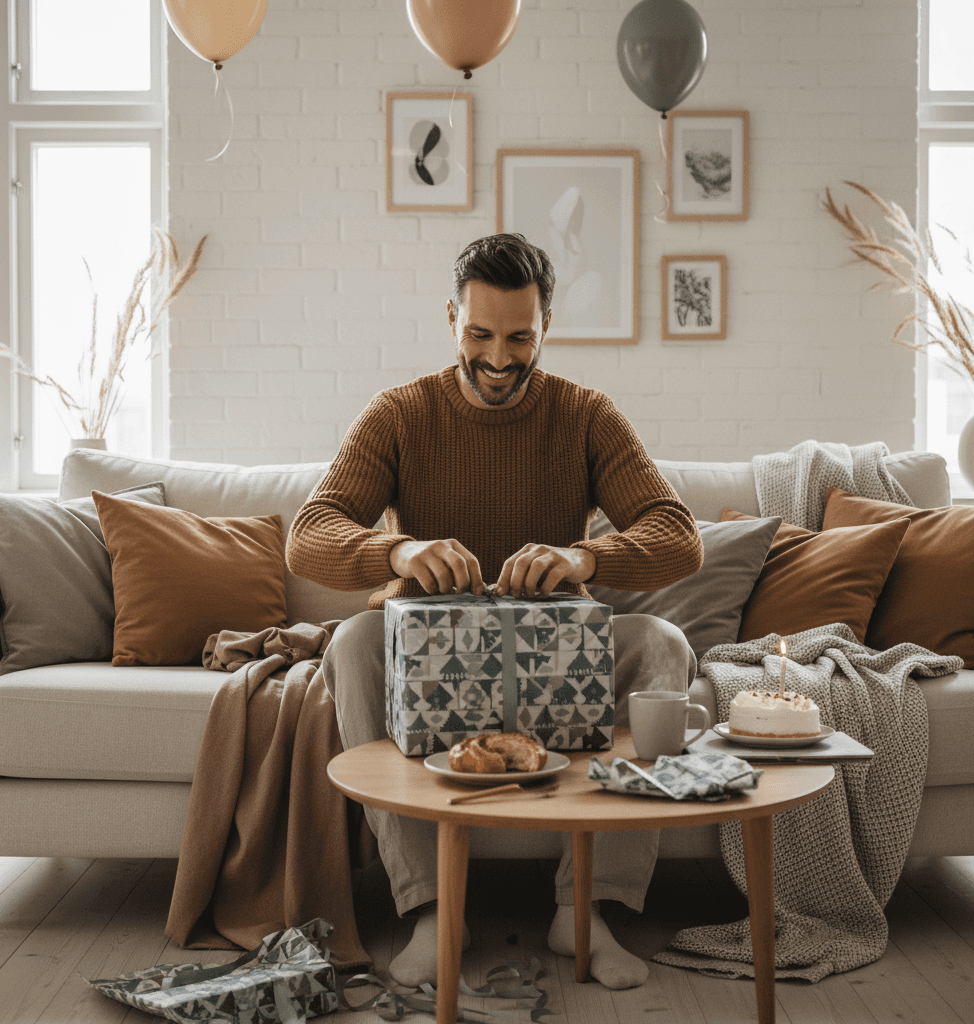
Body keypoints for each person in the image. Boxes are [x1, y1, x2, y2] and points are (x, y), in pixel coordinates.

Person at [287, 233, 703, 990]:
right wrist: (398, 554)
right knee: (351, 641)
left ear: (548, 326)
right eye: (480, 335)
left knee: (664, 642)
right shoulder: (399, 414)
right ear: (452, 318)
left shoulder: (586, 415)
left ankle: (588, 913)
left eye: (521, 337)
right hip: (425, 659)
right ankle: (431, 911)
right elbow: (309, 537)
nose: (501, 359)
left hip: (559, 659)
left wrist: (588, 559)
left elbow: (678, 537)